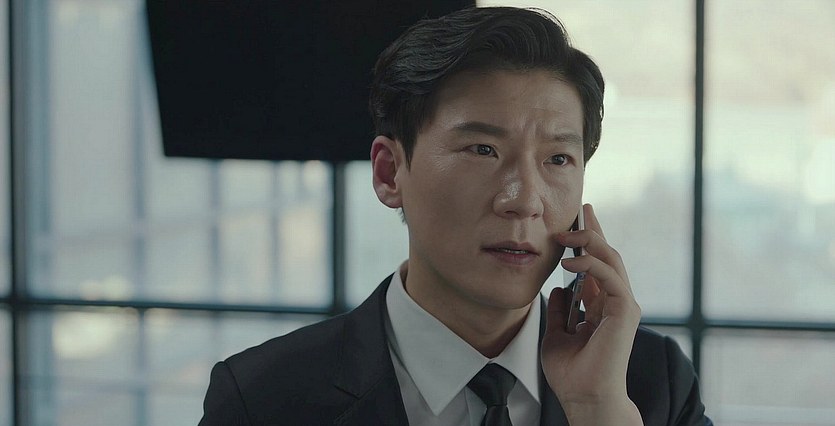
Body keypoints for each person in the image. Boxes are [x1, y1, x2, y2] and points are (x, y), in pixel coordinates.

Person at [198, 7, 711, 426]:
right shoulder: (262, 400)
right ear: (390, 172)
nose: (523, 200)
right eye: (483, 150)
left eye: (558, 159)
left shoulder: (650, 384)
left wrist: (598, 412)